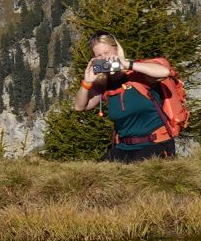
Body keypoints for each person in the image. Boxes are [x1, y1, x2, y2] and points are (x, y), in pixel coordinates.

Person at [72, 33, 178, 162]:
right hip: (124, 147)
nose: (104, 58)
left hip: (156, 143)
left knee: (137, 170)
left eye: (106, 52)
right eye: (98, 55)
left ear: (117, 50)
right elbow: (79, 107)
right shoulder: (104, 83)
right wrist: (87, 83)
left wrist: (127, 64)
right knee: (96, 171)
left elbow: (164, 72)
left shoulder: (137, 74)